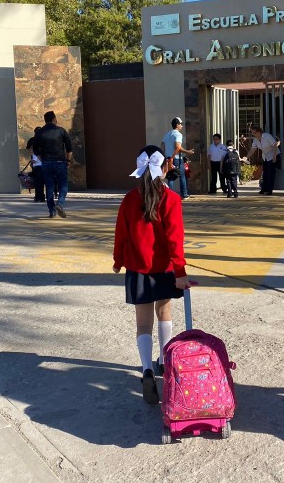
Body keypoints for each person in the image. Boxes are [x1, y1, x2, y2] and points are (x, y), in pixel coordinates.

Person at [112, 145, 190, 404]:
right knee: (164, 313)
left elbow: (121, 234)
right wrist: (180, 271)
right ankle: (165, 363)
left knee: (143, 323)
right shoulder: (171, 200)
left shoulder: (129, 199)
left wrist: (118, 260)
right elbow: (174, 239)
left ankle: (146, 368)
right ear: (164, 167)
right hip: (165, 269)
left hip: (137, 268)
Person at [34, 111, 73, 218]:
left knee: (49, 187)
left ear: (45, 120)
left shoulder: (39, 132)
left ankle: (52, 211)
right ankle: (60, 203)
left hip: (46, 163)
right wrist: (68, 161)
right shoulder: (61, 131)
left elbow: (35, 150)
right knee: (63, 186)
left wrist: (42, 159)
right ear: (54, 119)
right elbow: (69, 148)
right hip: (60, 162)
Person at [161, 117, 194, 200]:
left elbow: (162, 146)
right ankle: (184, 194)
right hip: (176, 159)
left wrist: (165, 157)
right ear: (177, 125)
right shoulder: (178, 135)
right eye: (181, 124)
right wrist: (188, 152)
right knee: (182, 175)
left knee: (170, 177)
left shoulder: (167, 134)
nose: (182, 126)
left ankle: (169, 195)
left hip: (168, 158)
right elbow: (177, 147)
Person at [246, 125, 280, 195]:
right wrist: (246, 157)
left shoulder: (267, 136)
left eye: (254, 132)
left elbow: (274, 145)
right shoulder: (255, 140)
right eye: (252, 133)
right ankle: (264, 188)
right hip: (265, 157)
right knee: (265, 173)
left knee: (271, 173)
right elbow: (252, 150)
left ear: (259, 132)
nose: (253, 134)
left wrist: (274, 155)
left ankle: (269, 190)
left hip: (273, 155)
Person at [26, 127, 46, 203]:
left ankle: (39, 196)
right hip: (42, 164)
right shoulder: (43, 140)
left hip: (37, 164)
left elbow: (29, 149)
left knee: (38, 182)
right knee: (42, 181)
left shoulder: (33, 140)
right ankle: (41, 196)